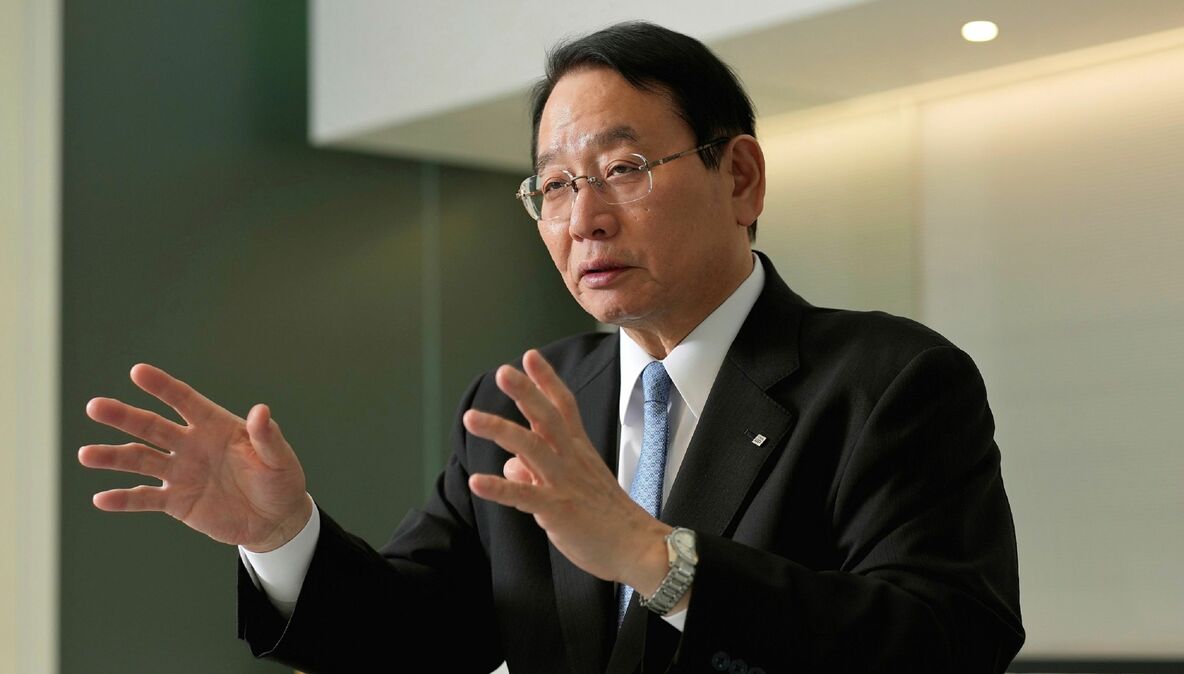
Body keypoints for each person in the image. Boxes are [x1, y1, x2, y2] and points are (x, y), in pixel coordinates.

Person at [79, 21, 1024, 674]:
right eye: (555, 187)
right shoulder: (523, 403)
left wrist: (658, 558)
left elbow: (948, 642)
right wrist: (284, 537)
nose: (585, 219)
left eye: (621, 168)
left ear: (739, 177)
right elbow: (415, 640)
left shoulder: (890, 381)